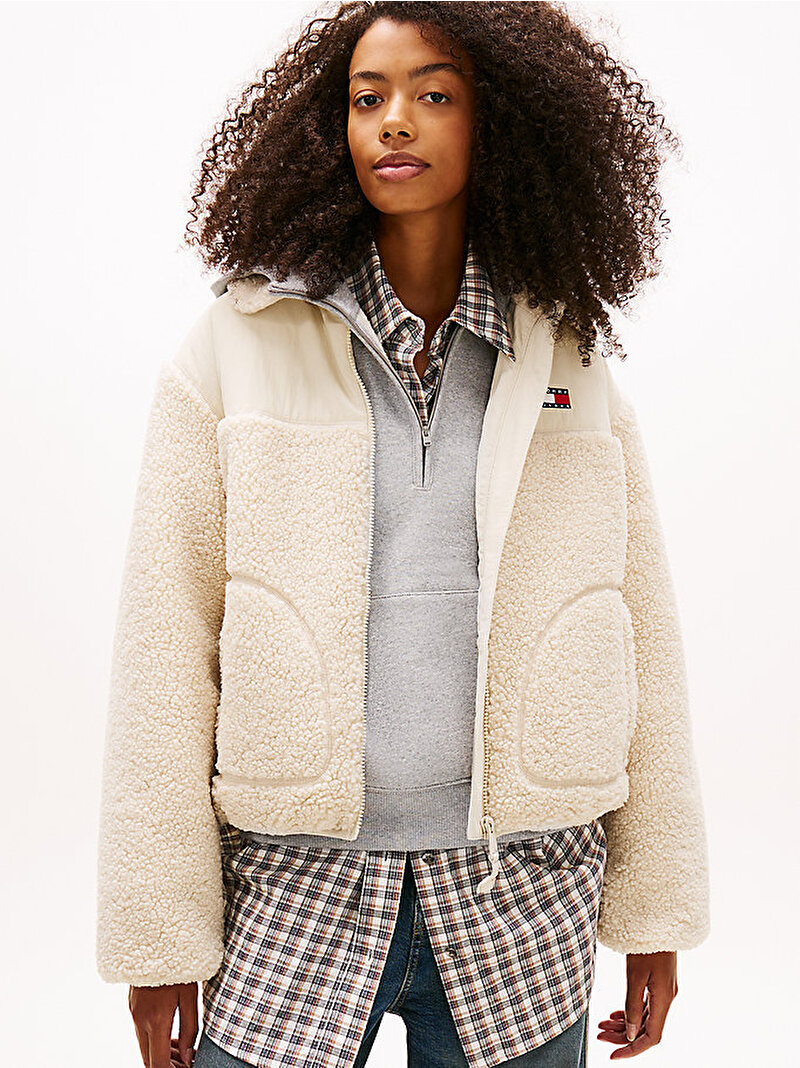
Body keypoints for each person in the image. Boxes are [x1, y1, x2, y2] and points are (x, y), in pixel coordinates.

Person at [95, 4, 710, 1067]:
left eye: (434, 94)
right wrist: (159, 939)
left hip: (522, 894)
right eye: (367, 97)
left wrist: (653, 915)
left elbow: (638, 633)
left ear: (498, 122)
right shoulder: (235, 346)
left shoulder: (561, 351)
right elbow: (164, 648)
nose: (394, 121)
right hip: (294, 888)